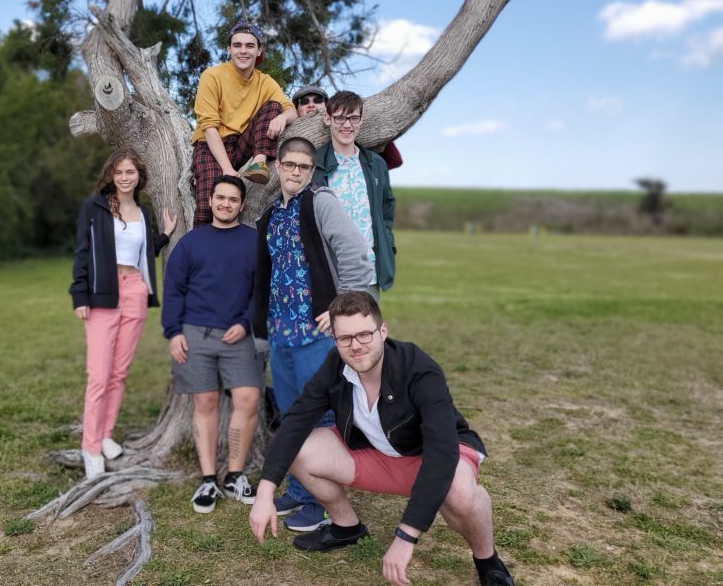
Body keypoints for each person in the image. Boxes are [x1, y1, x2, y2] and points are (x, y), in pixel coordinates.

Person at [249, 291, 515, 586]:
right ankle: (346, 526)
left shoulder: (419, 369)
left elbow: (442, 451)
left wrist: (406, 535)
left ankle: (488, 561)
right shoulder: (335, 366)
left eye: (365, 334)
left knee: (462, 495)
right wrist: (265, 493)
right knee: (301, 449)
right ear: (334, 340)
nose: (356, 346)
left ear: (382, 331)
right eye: (345, 338)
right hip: (379, 453)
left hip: (433, 455)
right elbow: (296, 421)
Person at [251, 136, 374, 532]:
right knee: (291, 416)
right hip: (281, 331)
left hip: (316, 333)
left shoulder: (321, 202)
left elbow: (355, 254)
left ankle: (324, 502)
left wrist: (342, 310)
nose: (296, 172)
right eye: (290, 165)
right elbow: (265, 274)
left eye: (304, 167)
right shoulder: (270, 214)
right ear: (278, 167)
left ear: (311, 171)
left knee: (320, 417)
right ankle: (302, 491)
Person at [70, 148, 178, 479]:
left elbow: (141, 251)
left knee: (118, 373)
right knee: (99, 375)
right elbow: (83, 252)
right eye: (119, 172)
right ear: (111, 175)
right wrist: (80, 294)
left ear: (138, 175)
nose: (124, 177)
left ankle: (105, 436)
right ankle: (90, 448)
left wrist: (163, 236)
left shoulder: (143, 212)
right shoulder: (94, 208)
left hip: (134, 291)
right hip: (102, 293)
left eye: (130, 172)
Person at [162, 175, 262, 513]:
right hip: (194, 333)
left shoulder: (253, 241)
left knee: (247, 399)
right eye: (220, 197)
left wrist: (246, 321)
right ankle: (208, 479)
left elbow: (261, 290)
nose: (225, 204)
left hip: (238, 334)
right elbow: (173, 289)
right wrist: (173, 332)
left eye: (233, 199)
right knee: (205, 403)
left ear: (242, 205)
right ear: (210, 200)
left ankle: (235, 474)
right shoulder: (192, 242)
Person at [190, 22, 297, 226]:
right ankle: (202, 250)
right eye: (237, 45)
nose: (243, 51)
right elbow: (208, 126)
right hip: (211, 145)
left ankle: (259, 161)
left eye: (249, 46)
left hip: (242, 144)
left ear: (259, 50)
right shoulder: (212, 76)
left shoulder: (264, 81)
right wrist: (227, 169)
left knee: (274, 107)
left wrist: (283, 117)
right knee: (210, 203)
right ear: (229, 49)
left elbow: (291, 110)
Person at [312, 90, 397, 293]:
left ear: (361, 120)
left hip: (369, 273)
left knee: (366, 326)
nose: (347, 125)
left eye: (353, 118)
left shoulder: (375, 164)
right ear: (327, 119)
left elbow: (386, 211)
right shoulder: (314, 164)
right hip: (330, 272)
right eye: (340, 118)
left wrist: (388, 248)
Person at [292, 85, 403, 170]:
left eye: (318, 100)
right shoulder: (291, 135)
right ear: (297, 110)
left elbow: (394, 160)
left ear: (327, 107)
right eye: (304, 101)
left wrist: (377, 129)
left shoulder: (349, 134)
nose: (311, 104)